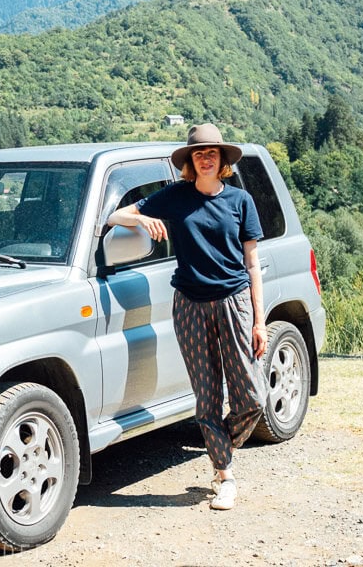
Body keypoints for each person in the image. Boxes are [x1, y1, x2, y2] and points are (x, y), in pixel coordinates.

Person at [106, 123, 267, 510]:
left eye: (212, 153)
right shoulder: (176, 197)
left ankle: (220, 445)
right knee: (207, 395)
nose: (206, 158)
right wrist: (141, 219)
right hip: (190, 306)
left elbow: (253, 263)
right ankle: (224, 474)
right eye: (198, 154)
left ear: (222, 159)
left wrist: (259, 321)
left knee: (252, 397)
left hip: (235, 302)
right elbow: (115, 217)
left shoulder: (240, 201)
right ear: (191, 162)